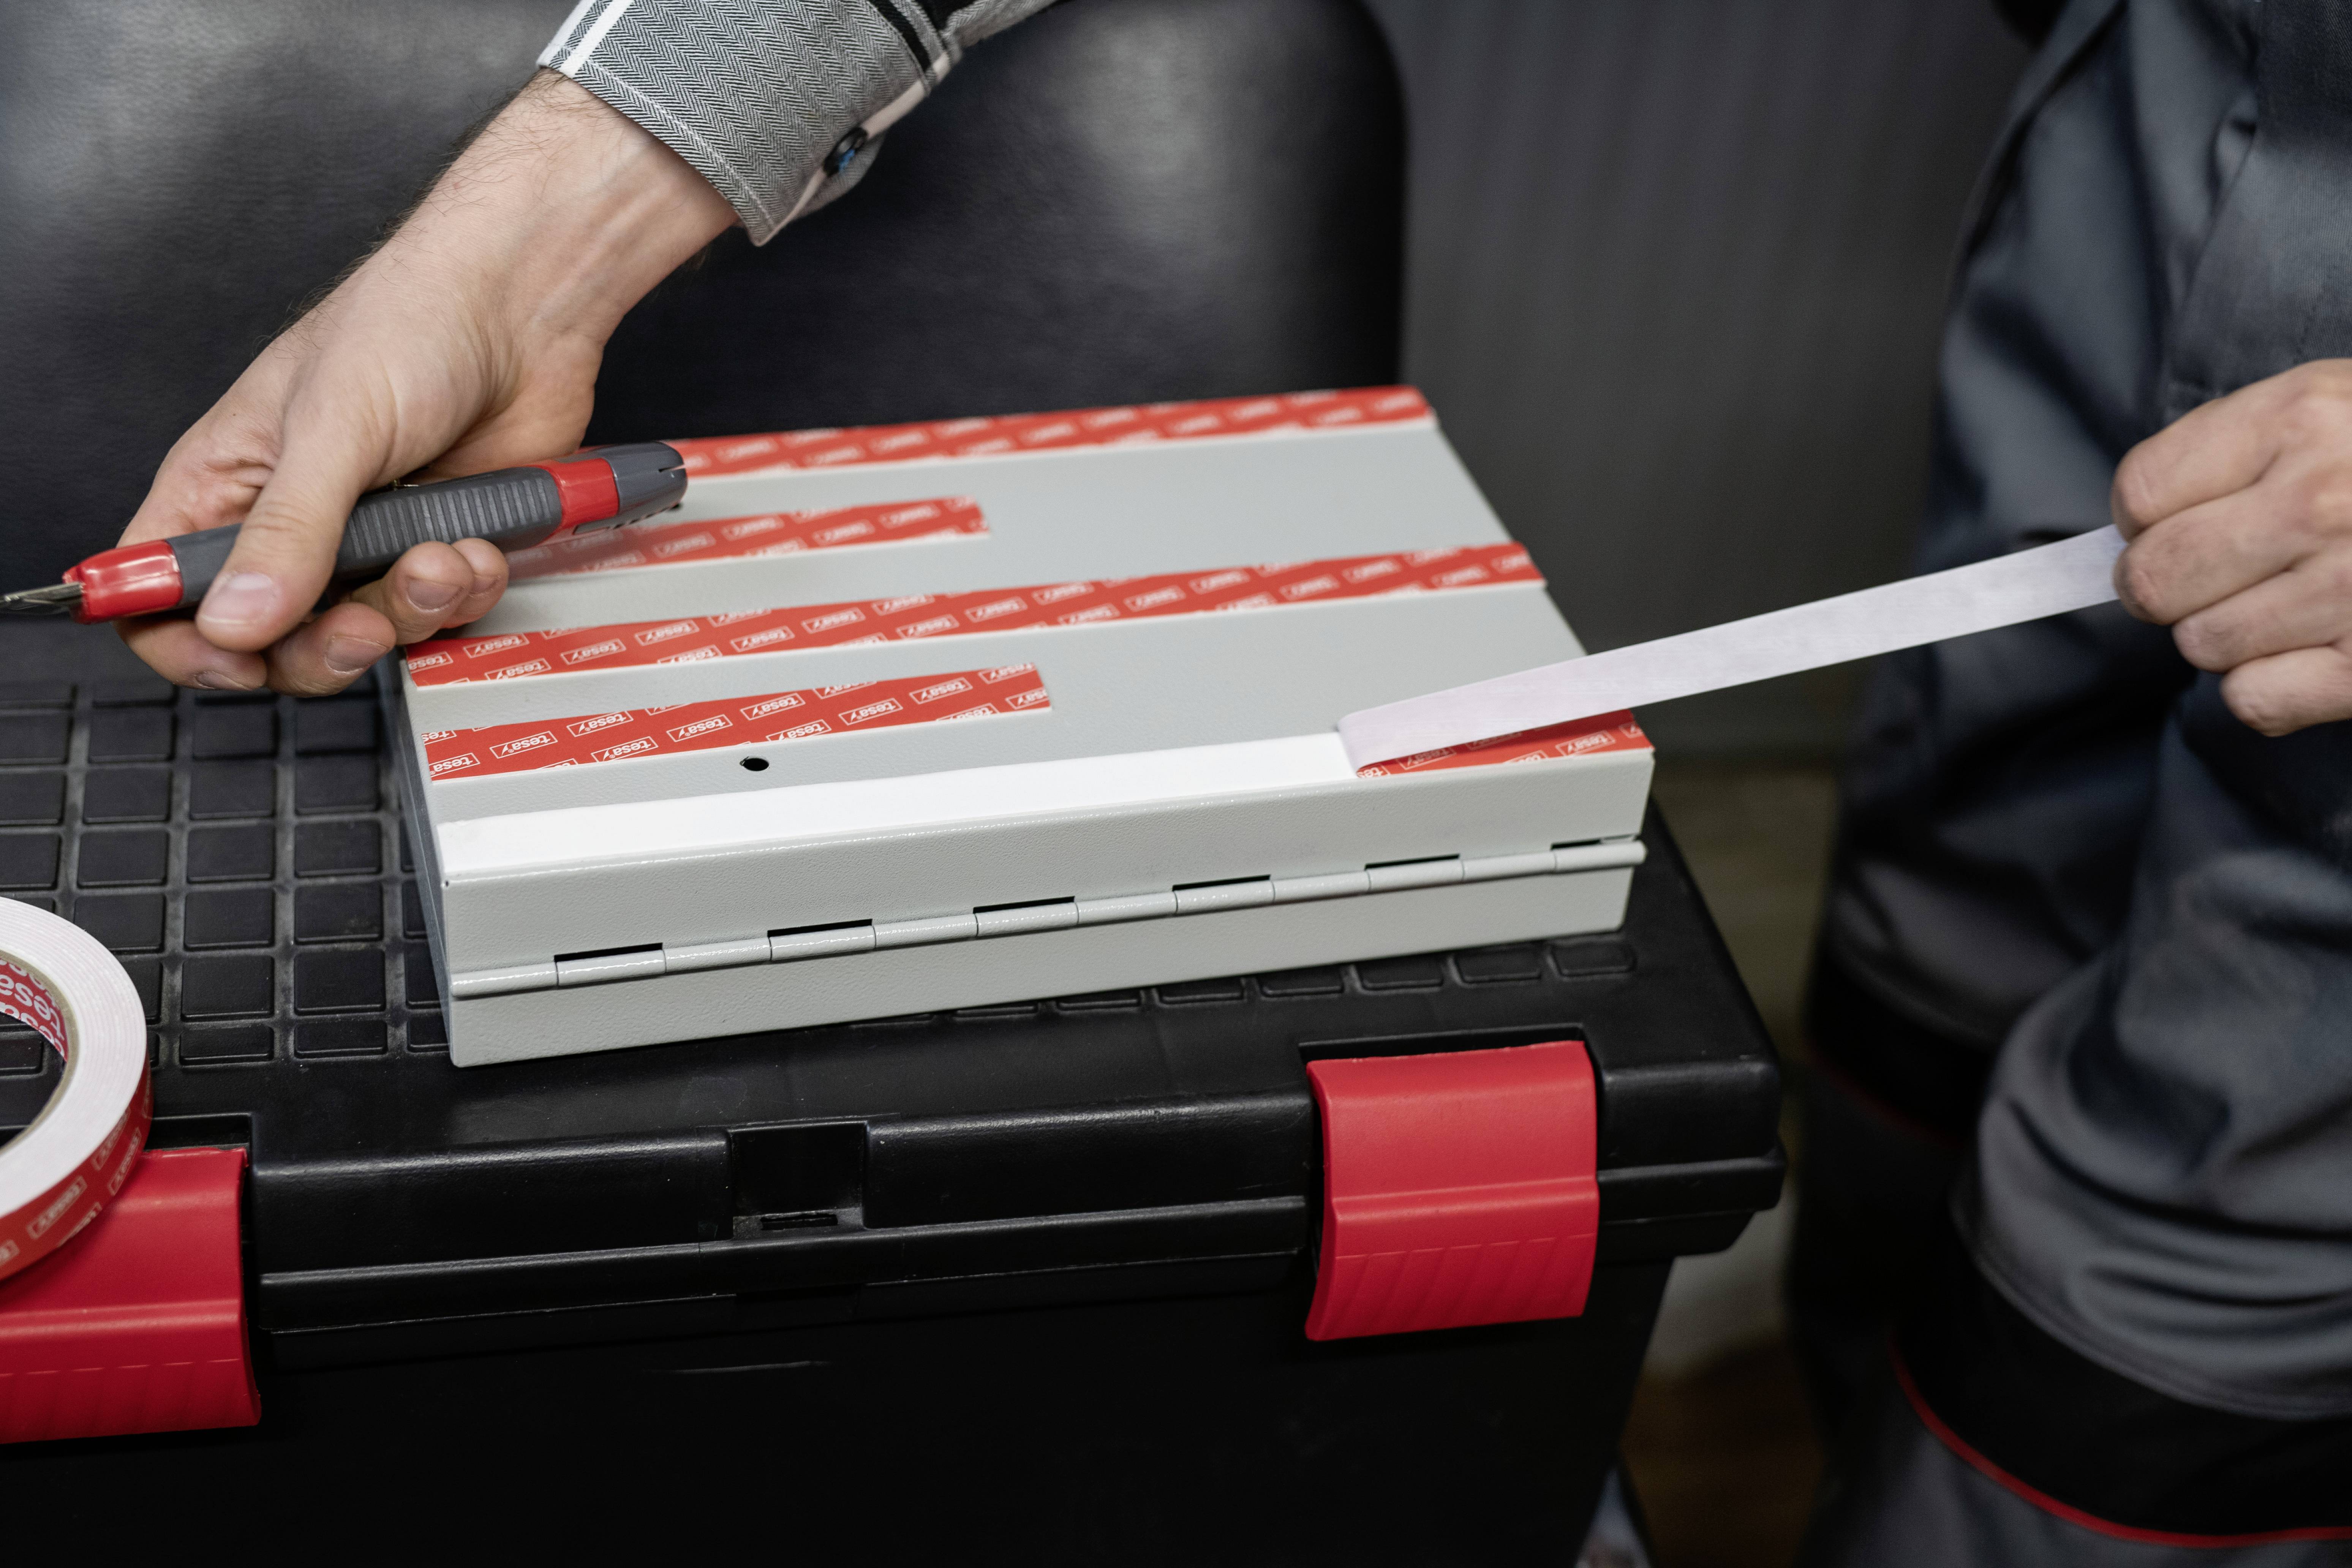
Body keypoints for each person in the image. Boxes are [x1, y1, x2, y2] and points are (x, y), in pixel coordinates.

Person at [112, 0, 2352, 1559]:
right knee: (1942, 968)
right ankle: (1862, 1368)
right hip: (2197, 123)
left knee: (2168, 1300)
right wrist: (542, 228)